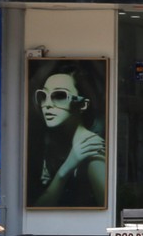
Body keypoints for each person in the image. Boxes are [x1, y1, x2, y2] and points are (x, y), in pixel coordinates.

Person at [30, 64, 106, 208]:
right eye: (43, 96)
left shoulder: (91, 150)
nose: (47, 104)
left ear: (83, 104)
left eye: (59, 96)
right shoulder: (54, 144)